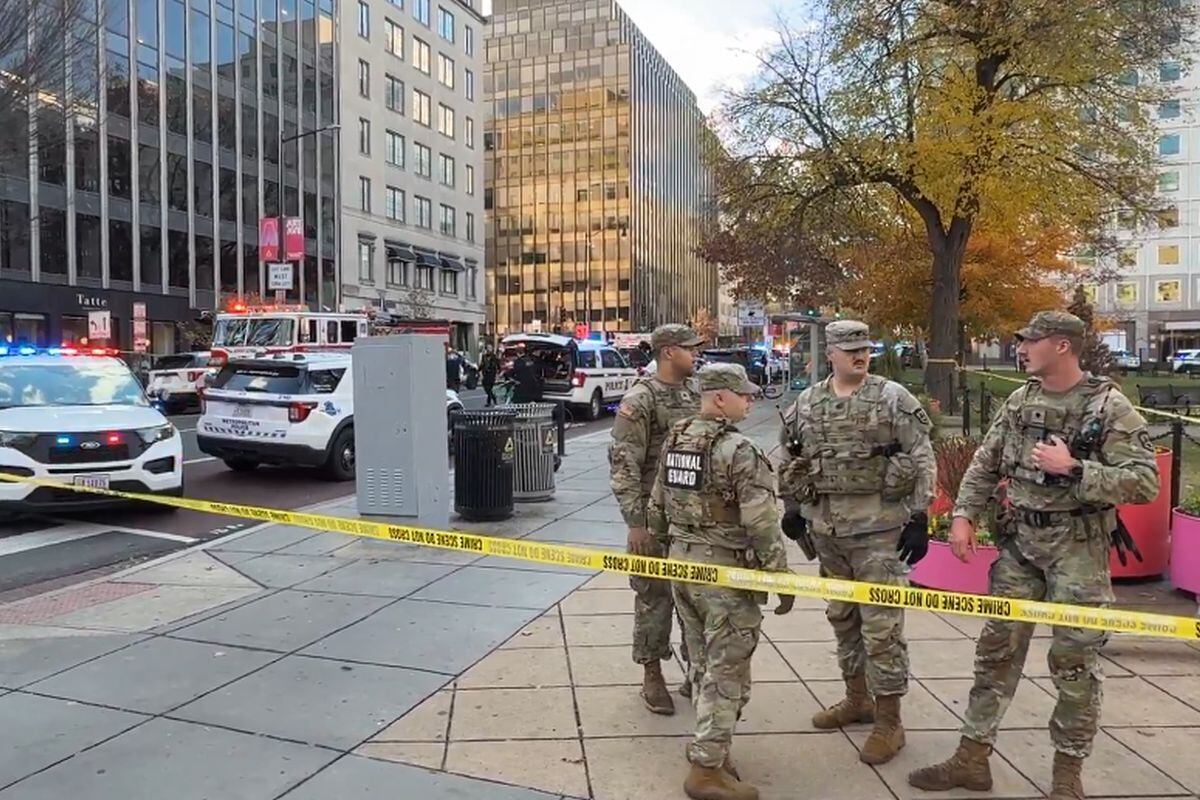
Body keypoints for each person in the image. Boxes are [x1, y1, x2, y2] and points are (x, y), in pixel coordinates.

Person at [907, 311, 1159, 800]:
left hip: (1077, 551)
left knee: (1074, 662)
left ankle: (1067, 774)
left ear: (1062, 346)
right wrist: (963, 515)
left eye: (1030, 341)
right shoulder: (1022, 400)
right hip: (1020, 547)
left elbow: (1144, 481)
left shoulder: (1109, 407)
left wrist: (1076, 468)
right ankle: (971, 759)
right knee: (996, 653)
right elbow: (985, 461)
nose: (1020, 348)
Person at [777, 318, 935, 766]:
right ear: (831, 354)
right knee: (843, 619)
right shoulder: (808, 402)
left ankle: (890, 721)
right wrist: (791, 506)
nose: (859, 355)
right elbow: (789, 455)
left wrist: (920, 516)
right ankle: (857, 698)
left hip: (879, 532)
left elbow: (921, 455)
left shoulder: (891, 398)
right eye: (849, 349)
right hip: (829, 533)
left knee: (882, 628)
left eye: (864, 348)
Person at [648, 362, 793, 800]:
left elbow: (657, 505)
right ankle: (706, 769)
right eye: (743, 394)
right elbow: (762, 521)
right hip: (725, 577)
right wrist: (779, 574)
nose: (750, 400)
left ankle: (714, 743)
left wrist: (665, 552)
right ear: (717, 398)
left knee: (702, 665)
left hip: (683, 566)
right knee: (727, 672)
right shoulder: (739, 449)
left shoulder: (676, 439)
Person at [608, 323, 704, 715]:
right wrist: (636, 523)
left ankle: (695, 668)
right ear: (668, 352)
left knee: (696, 596)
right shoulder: (641, 399)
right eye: (690, 349)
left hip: (695, 517)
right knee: (653, 597)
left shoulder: (697, 393)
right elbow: (623, 464)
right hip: (654, 517)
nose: (696, 355)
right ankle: (652, 674)